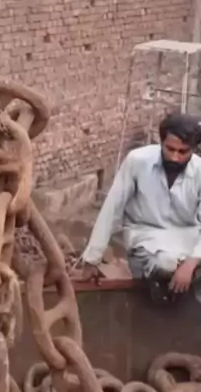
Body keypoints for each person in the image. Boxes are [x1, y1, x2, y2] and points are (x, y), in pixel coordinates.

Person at [81, 112, 201, 304]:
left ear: (193, 149)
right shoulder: (137, 161)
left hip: (188, 242)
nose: (175, 157)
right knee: (165, 266)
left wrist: (190, 263)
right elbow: (113, 208)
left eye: (182, 152)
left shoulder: (199, 171)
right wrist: (92, 259)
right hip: (146, 241)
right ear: (161, 142)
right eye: (170, 149)